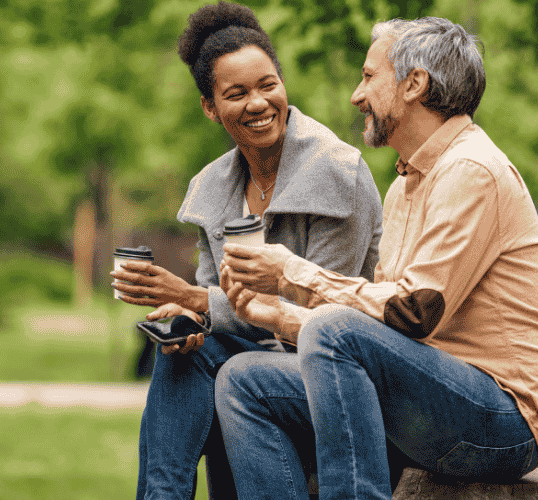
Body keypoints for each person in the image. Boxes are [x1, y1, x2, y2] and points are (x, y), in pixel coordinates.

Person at [216, 16, 538, 500]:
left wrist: (290, 272)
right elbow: (382, 325)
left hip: (505, 421)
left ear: (414, 83)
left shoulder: (471, 170)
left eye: (369, 76)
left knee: (333, 328)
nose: (357, 96)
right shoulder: (405, 185)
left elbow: (414, 311)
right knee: (244, 379)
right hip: (435, 396)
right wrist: (280, 316)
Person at [109, 2, 383, 498]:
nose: (258, 103)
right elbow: (221, 298)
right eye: (236, 94)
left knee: (229, 369)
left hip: (335, 368)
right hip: (256, 354)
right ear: (210, 108)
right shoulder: (214, 187)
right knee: (181, 354)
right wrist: (190, 318)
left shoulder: (337, 172)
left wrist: (197, 300)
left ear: (283, 84)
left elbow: (323, 318)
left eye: (268, 85)